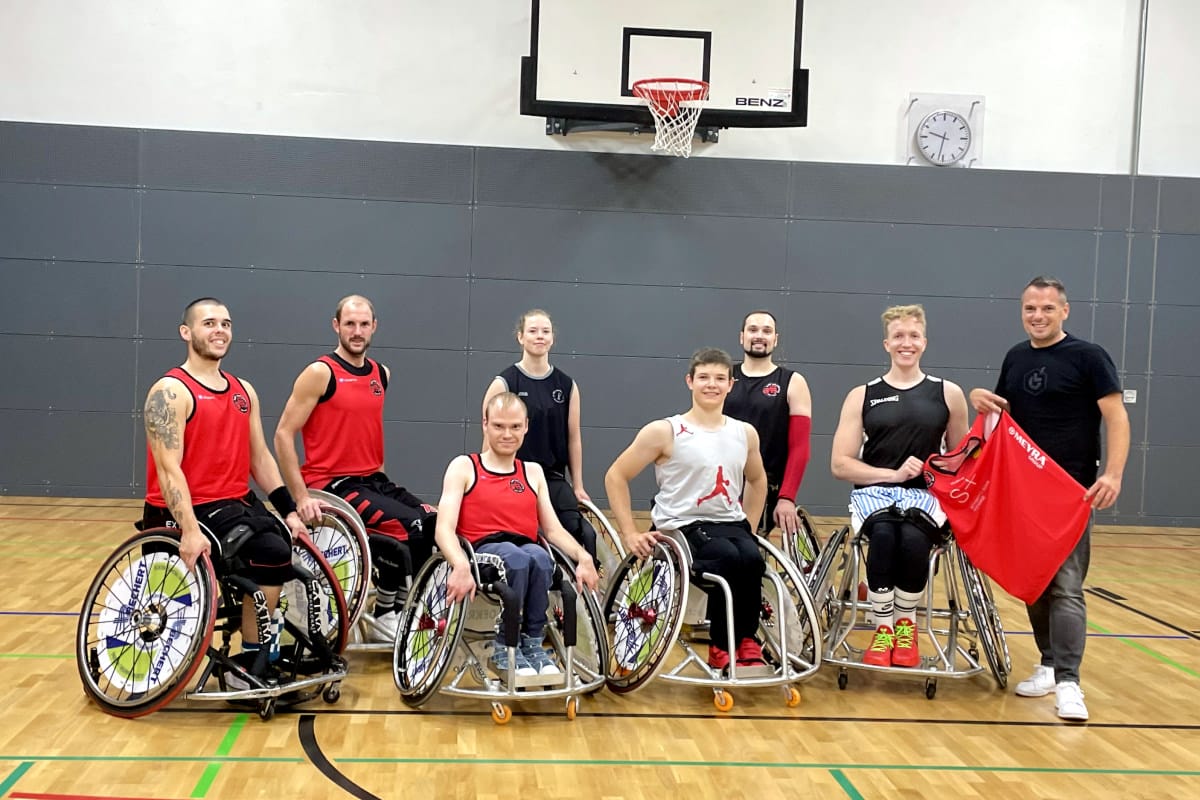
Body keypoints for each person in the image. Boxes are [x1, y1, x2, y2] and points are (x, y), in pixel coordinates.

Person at [970, 276, 1128, 722]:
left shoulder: (1089, 357)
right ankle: (1047, 661)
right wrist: (980, 398)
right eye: (1029, 309)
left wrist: (1112, 474)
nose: (1037, 316)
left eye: (1046, 309)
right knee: (1034, 580)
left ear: (1064, 310)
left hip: (1071, 492)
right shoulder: (1016, 357)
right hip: (1023, 491)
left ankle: (1069, 683)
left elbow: (1116, 418)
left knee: (1066, 585)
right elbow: (1006, 418)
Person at [141, 297, 306, 686]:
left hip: (234, 504)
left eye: (226, 324)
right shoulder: (169, 391)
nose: (219, 331)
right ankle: (249, 664)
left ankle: (257, 652)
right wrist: (189, 529)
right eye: (209, 323)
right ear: (187, 332)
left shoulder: (242, 390)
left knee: (283, 542)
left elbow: (260, 458)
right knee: (270, 552)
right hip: (186, 508)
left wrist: (289, 509)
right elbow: (168, 470)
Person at [274, 295, 436, 643]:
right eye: (350, 324)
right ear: (336, 326)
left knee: (434, 519)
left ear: (374, 327)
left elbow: (367, 435)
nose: (357, 331)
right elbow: (283, 435)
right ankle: (390, 613)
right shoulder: (321, 373)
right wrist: (300, 497)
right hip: (332, 486)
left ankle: (401, 609)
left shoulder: (381, 374)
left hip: (372, 481)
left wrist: (382, 482)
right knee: (413, 525)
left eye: (364, 324)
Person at [605, 347, 769, 672]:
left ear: (730, 385)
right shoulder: (665, 431)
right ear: (690, 381)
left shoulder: (744, 433)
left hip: (730, 522)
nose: (712, 384)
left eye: (720, 378)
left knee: (751, 557)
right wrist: (628, 532)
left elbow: (758, 479)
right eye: (704, 377)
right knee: (728, 557)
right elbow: (616, 476)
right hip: (682, 525)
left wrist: (749, 525)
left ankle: (746, 639)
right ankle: (722, 646)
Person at [831, 305, 968, 669]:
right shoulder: (863, 394)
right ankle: (883, 629)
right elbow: (840, 464)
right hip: (875, 492)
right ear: (886, 343)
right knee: (886, 539)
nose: (906, 343)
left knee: (912, 542)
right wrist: (891, 475)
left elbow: (960, 461)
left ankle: (905, 626)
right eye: (898, 337)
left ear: (924, 342)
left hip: (924, 497)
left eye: (913, 336)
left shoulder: (948, 393)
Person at [437, 392, 599, 679]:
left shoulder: (533, 472)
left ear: (526, 426)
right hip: (481, 551)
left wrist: (583, 557)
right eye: (499, 426)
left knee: (540, 557)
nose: (507, 434)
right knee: (517, 558)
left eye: (514, 426)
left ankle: (533, 644)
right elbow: (443, 529)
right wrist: (460, 565)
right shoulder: (464, 466)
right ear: (485, 424)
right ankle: (503, 646)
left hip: (524, 548)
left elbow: (552, 530)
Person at [481, 309, 594, 555]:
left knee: (577, 530)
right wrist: (486, 483)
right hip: (514, 476)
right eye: (533, 331)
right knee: (523, 538)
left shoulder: (566, 385)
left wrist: (578, 485)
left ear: (552, 338)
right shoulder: (504, 383)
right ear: (520, 337)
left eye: (545, 331)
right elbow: (488, 440)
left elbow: (574, 438)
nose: (539, 336)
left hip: (552, 476)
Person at [724, 310, 813, 540]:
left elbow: (800, 448)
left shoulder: (793, 382)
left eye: (766, 331)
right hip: (721, 481)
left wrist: (787, 497)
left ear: (775, 339)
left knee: (741, 549)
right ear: (741, 336)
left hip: (764, 485)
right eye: (753, 330)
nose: (759, 335)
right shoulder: (723, 377)